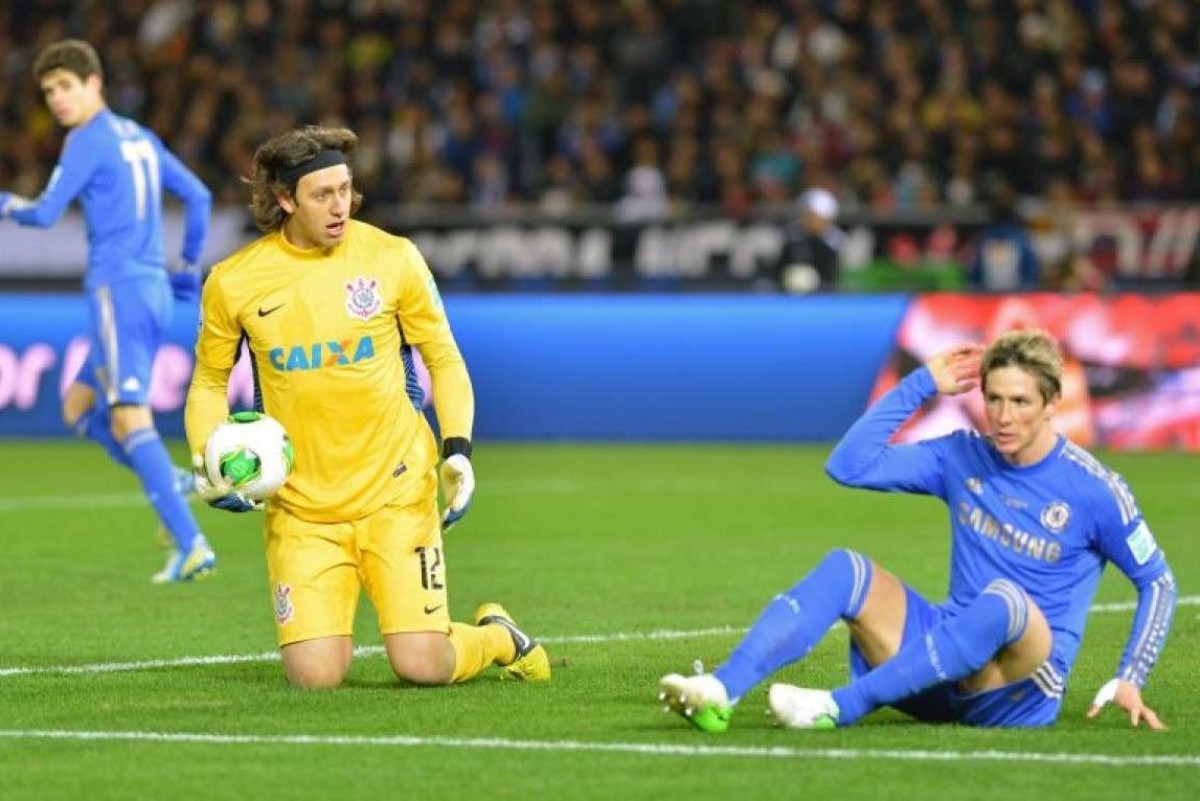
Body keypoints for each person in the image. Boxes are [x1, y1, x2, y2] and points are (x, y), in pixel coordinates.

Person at [659, 329, 1176, 732]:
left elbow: (1158, 580)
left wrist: (1131, 676)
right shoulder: (961, 455)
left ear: (1050, 402)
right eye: (994, 399)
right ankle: (720, 692)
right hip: (940, 670)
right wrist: (921, 383)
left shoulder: (1094, 488)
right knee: (845, 569)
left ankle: (837, 708)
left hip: (1019, 688)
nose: (1003, 416)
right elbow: (849, 466)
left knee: (1004, 601)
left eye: (1020, 402)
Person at [183, 125, 550, 689]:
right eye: (322, 195)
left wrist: (458, 450)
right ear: (285, 200)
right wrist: (208, 458)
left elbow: (444, 360)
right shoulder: (235, 282)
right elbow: (209, 381)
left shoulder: (392, 258)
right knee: (315, 677)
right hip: (302, 507)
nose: (340, 207)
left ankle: (501, 636)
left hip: (394, 492)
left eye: (346, 189)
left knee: (422, 664)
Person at [0, 39, 215, 584]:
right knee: (77, 406)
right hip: (151, 286)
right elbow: (199, 197)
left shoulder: (86, 140)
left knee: (127, 414)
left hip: (119, 289)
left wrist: (5, 204)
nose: (56, 100)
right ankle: (168, 478)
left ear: (94, 83)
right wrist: (188, 269)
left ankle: (191, 542)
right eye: (49, 91)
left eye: (65, 87)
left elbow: (46, 213)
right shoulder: (139, 136)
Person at [772, 187, 843, 293]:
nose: (812, 220)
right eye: (809, 215)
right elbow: (779, 270)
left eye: (816, 217)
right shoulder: (792, 238)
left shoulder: (837, 242)